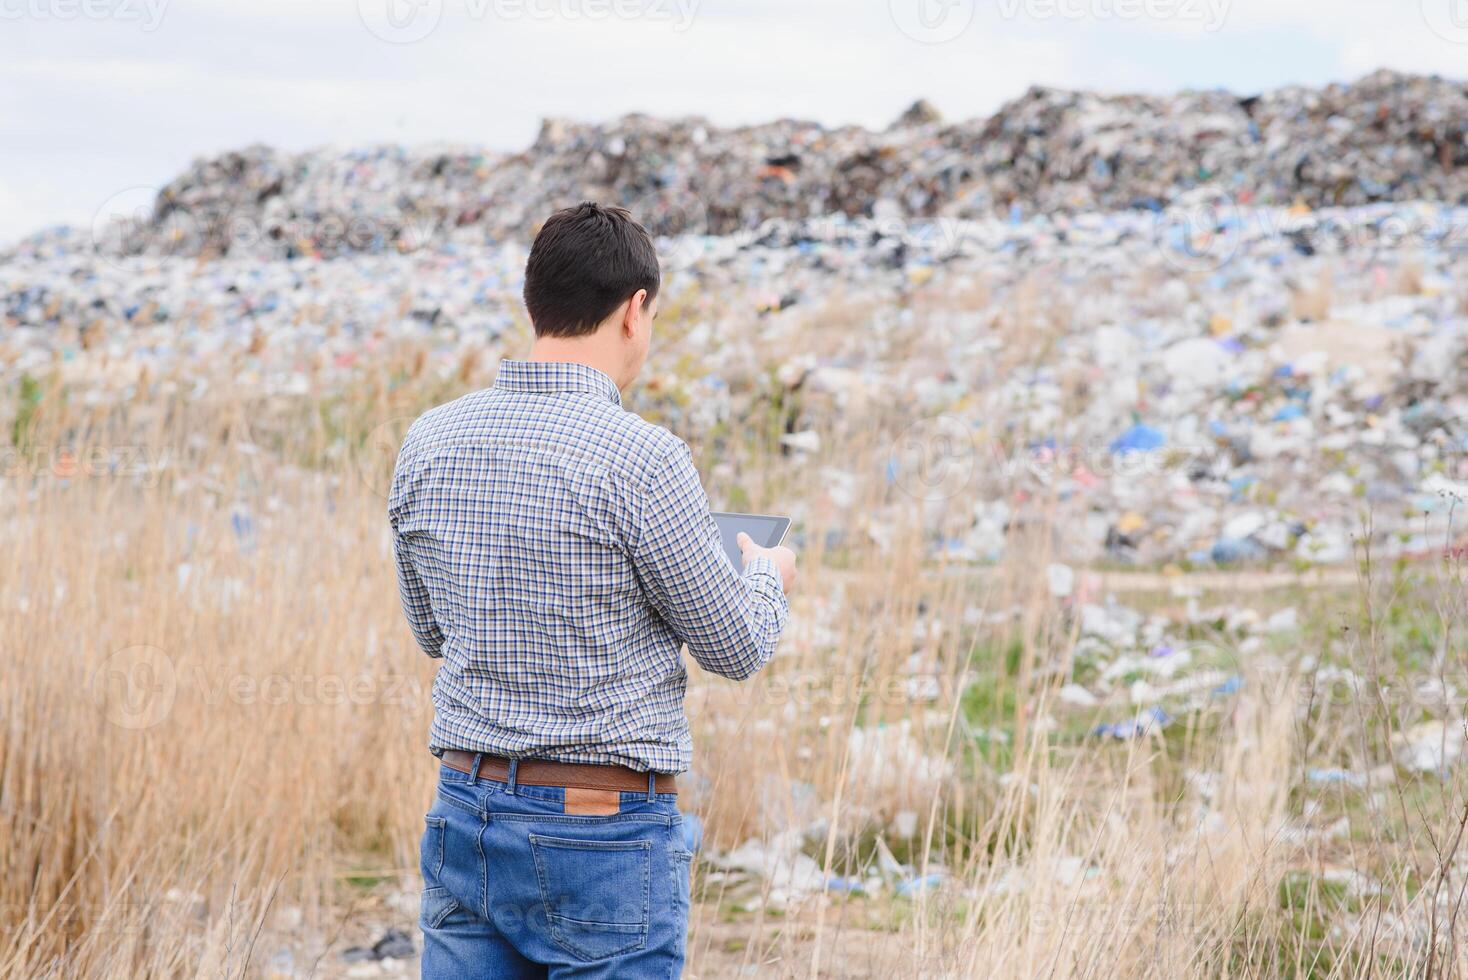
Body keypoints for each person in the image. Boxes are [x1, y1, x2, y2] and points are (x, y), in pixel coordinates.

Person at [389, 202, 796, 978]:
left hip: (464, 814)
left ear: (532, 303)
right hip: (601, 834)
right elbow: (737, 648)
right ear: (634, 311)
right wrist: (767, 580)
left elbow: (433, 632)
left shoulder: (428, 439)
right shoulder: (644, 458)